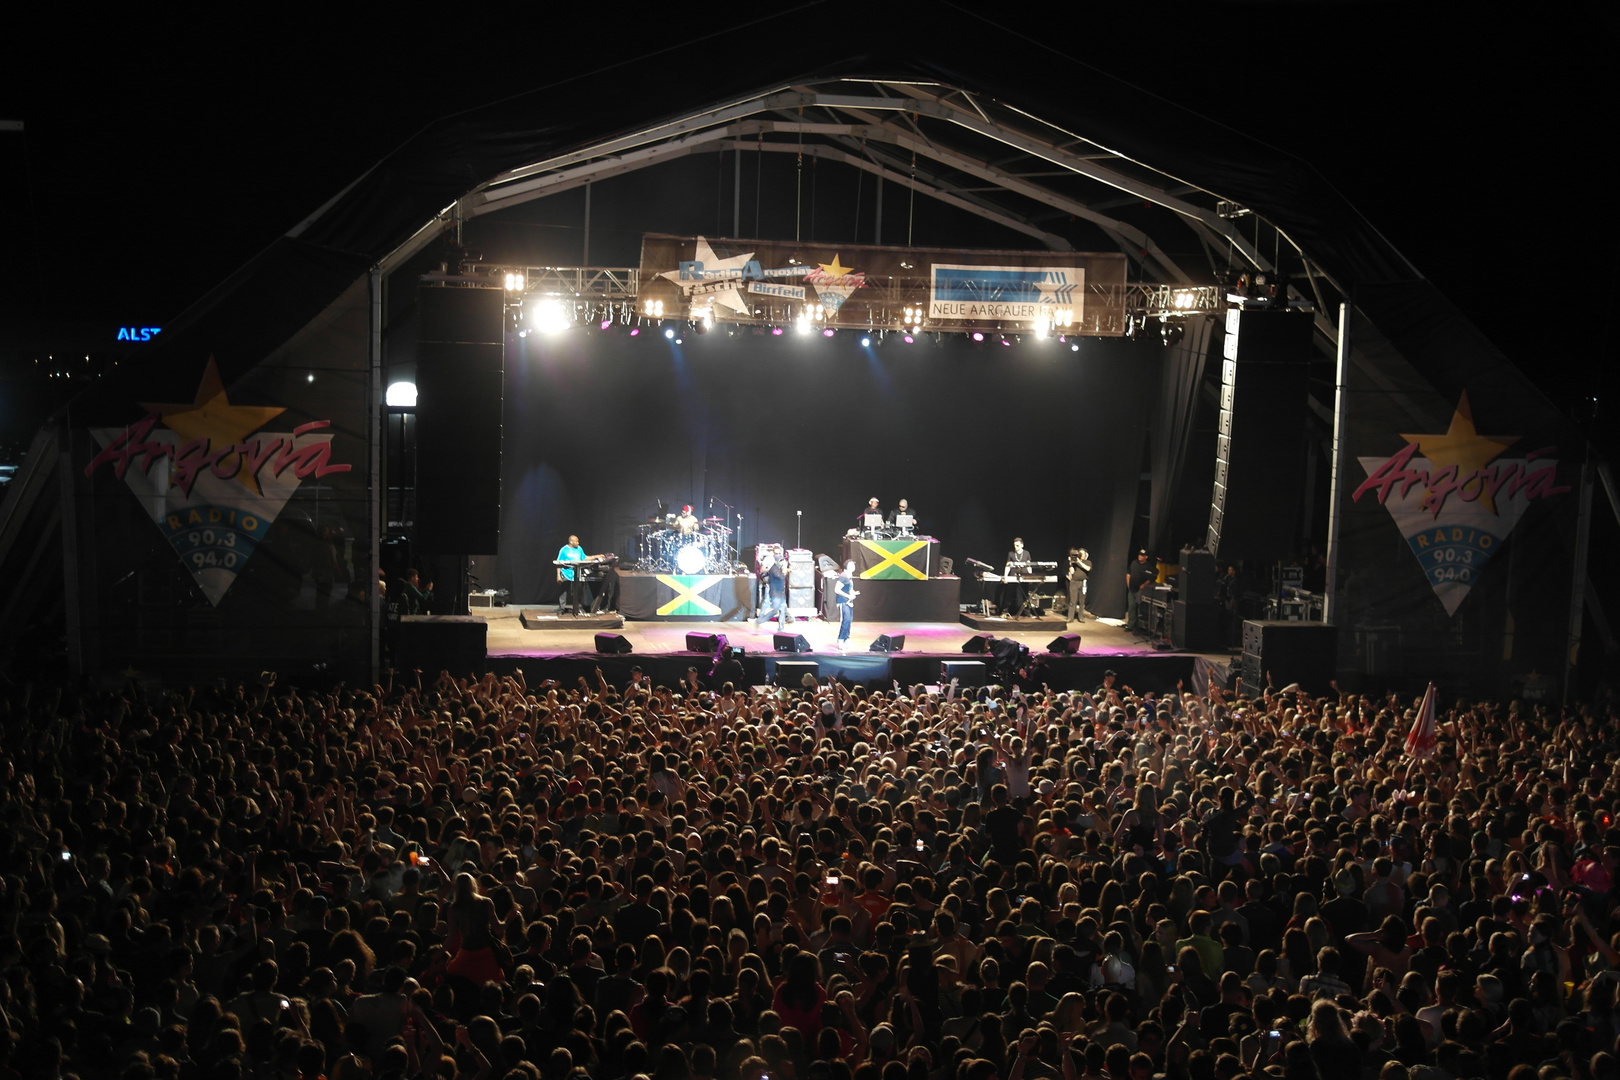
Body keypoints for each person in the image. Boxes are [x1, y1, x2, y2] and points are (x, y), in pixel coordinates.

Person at [556, 534, 590, 614]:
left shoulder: (579, 549)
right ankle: (561, 609)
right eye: (576, 541)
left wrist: (597, 556)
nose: (578, 543)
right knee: (564, 592)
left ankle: (577, 608)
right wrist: (558, 576)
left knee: (578, 592)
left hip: (577, 574)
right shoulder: (564, 550)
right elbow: (558, 563)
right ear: (571, 541)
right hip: (566, 573)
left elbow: (584, 558)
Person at [756, 550, 789, 630]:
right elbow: (780, 576)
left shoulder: (779, 569)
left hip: (781, 593)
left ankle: (781, 629)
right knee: (774, 611)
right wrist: (785, 571)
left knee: (782, 611)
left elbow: (782, 578)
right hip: (775, 593)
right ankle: (760, 620)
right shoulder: (773, 568)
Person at [999, 538, 1032, 618]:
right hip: (1013, 576)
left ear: (1022, 545)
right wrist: (1005, 576)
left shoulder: (1026, 553)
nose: (1016, 547)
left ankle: (1027, 612)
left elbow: (1029, 565)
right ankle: (1004, 611)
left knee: (1025, 595)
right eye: (1014, 545)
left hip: (1024, 576)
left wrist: (1030, 576)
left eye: (1017, 545)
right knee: (1009, 595)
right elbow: (1007, 566)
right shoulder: (1011, 554)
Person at [1126, 549, 1156, 629]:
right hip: (1132, 589)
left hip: (1140, 591)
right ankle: (1130, 625)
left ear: (1146, 557)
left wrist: (1144, 584)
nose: (1140, 556)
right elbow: (1128, 573)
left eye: (1142, 555)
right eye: (1139, 555)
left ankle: (1139, 627)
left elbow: (1152, 577)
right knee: (1131, 608)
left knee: (1140, 609)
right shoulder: (1134, 563)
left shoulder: (1149, 566)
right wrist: (1128, 584)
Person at [835, 560, 857, 649]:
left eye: (853, 565)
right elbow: (837, 590)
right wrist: (848, 596)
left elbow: (847, 588)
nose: (853, 567)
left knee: (849, 620)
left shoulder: (849, 577)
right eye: (851, 565)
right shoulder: (843, 576)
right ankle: (840, 640)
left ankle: (846, 639)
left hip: (848, 601)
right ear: (846, 566)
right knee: (845, 620)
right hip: (843, 601)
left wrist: (852, 593)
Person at [1066, 547, 1091, 623]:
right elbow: (1072, 572)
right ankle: (1070, 617)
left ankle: (1081, 617)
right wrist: (1071, 563)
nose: (1081, 555)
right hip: (1074, 582)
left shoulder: (1088, 562)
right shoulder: (1074, 563)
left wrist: (1079, 562)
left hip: (1083, 583)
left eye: (1082, 553)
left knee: (1082, 601)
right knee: (1072, 601)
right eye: (1080, 553)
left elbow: (1088, 569)